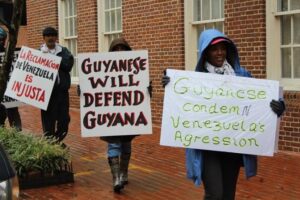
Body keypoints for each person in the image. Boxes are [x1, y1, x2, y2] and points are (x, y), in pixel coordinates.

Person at [162, 29, 285, 200]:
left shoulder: (241, 74)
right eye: (214, 49)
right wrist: (170, 86)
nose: (219, 53)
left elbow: (263, 100)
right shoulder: (194, 80)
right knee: (215, 194)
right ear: (205, 52)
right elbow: (180, 103)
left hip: (232, 146)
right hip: (207, 147)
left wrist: (279, 106)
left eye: (223, 48)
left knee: (228, 195)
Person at [77, 37, 152, 193]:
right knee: (113, 144)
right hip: (110, 116)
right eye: (116, 49)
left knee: (125, 144)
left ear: (127, 51)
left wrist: (147, 89)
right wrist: (83, 90)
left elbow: (143, 91)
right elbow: (92, 87)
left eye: (122, 49)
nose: (119, 52)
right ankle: (116, 178)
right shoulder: (103, 70)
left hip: (128, 116)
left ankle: (124, 172)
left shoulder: (136, 69)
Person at [40, 27, 74, 143]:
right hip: (46, 94)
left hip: (62, 92)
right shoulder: (38, 52)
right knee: (48, 122)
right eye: (48, 35)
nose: (50, 38)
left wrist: (52, 60)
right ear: (44, 38)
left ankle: (57, 141)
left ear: (56, 37)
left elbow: (68, 65)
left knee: (64, 120)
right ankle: (50, 144)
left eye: (53, 35)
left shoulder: (63, 51)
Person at [0, 27, 22, 131]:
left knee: (13, 113)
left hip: (9, 92)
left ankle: (17, 136)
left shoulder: (10, 52)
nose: (1, 42)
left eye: (2, 40)